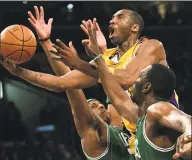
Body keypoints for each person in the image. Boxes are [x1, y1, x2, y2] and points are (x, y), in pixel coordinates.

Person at [84, 19, 192, 160]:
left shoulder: (157, 109)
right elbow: (117, 96)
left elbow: (186, 120)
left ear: (147, 87)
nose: (133, 82)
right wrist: (99, 56)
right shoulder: (140, 118)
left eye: (139, 78)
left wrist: (189, 135)